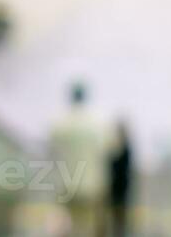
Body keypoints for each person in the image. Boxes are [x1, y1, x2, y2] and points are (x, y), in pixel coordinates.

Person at [49, 82, 110, 236]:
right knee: (86, 228)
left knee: (64, 227)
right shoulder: (96, 124)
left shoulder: (60, 124)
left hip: (66, 183)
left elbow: (52, 150)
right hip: (90, 185)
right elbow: (108, 150)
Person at [108, 121, 134, 236]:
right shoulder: (121, 148)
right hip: (117, 189)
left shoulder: (123, 149)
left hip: (120, 190)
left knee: (119, 219)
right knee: (116, 219)